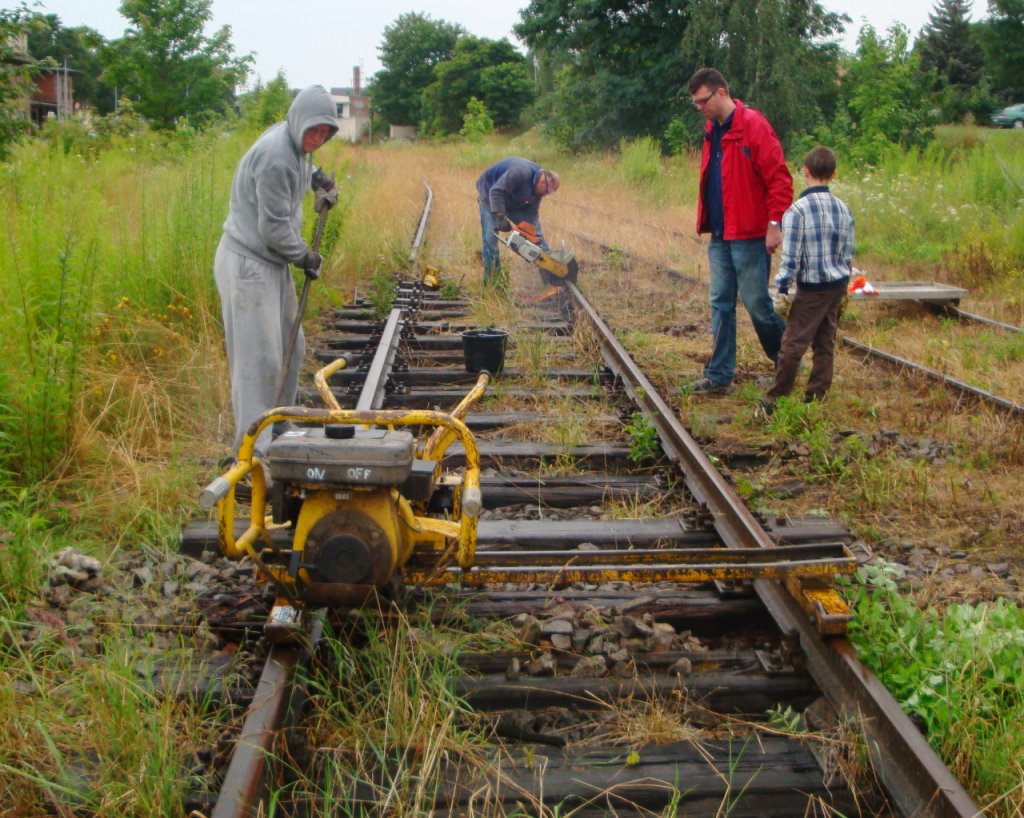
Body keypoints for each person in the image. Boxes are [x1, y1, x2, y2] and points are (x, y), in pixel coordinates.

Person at [214, 84, 339, 457]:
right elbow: (273, 229)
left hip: (271, 262)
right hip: (249, 264)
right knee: (259, 360)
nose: (316, 139)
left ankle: (280, 424)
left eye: (324, 133)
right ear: (299, 121)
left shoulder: (293, 146)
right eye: (313, 131)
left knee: (291, 346)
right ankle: (253, 452)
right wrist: (304, 257)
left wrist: (315, 177)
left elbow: (297, 168)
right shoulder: (276, 156)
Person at [687, 67, 792, 395]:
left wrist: (774, 224)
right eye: (695, 103)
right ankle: (719, 376)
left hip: (749, 234)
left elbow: (779, 179)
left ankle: (787, 358)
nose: (699, 108)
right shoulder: (711, 129)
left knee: (757, 304)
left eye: (703, 101)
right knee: (720, 302)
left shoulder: (753, 126)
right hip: (721, 235)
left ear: (721, 92)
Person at [761, 146, 854, 413]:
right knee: (825, 342)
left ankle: (776, 397)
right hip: (836, 284)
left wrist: (782, 287)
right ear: (833, 174)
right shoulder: (843, 209)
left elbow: (791, 256)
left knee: (793, 343)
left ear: (805, 171)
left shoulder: (797, 211)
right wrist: (845, 281)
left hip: (811, 287)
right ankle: (816, 396)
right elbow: (848, 251)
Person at [476, 158, 560, 286]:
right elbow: (496, 192)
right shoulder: (520, 172)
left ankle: (551, 273)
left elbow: (531, 214)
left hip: (512, 200)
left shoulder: (538, 189)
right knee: (490, 240)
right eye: (549, 191)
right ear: (543, 181)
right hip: (490, 195)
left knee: (536, 234)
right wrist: (501, 218)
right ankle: (492, 282)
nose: (546, 195)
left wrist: (534, 238)